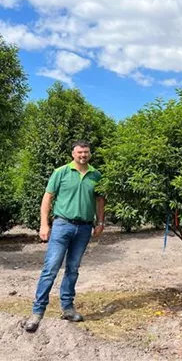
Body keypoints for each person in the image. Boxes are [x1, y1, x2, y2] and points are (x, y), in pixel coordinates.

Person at [24, 140, 105, 333]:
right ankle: (37, 312)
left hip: (84, 228)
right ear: (73, 154)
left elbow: (100, 200)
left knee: (73, 269)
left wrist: (100, 222)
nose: (83, 155)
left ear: (89, 154)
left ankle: (67, 308)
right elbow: (48, 197)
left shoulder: (96, 175)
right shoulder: (61, 172)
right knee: (50, 268)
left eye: (86, 152)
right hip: (62, 225)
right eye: (79, 152)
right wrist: (44, 224)